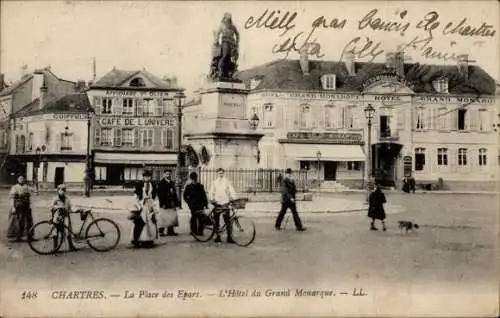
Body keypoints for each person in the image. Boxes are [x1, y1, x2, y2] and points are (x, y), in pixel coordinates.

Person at [130, 170, 158, 248]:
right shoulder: (139, 184)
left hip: (150, 205)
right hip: (141, 204)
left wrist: (154, 204)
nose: (147, 178)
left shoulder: (153, 184)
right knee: (140, 222)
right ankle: (136, 240)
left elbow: (154, 195)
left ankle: (148, 240)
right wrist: (139, 204)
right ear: (143, 177)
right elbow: (136, 195)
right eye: (146, 177)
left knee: (150, 223)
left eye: (149, 176)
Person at [209, 168, 237, 243]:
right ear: (217, 174)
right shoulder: (214, 182)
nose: (220, 174)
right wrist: (211, 198)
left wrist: (234, 198)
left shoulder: (227, 182)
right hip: (217, 203)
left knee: (227, 221)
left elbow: (231, 190)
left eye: (222, 173)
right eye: (219, 173)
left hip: (225, 202)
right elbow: (211, 191)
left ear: (224, 173)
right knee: (216, 221)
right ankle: (218, 236)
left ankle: (229, 237)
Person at [48, 184, 79, 251]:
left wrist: (76, 209)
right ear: (58, 191)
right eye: (61, 190)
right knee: (55, 231)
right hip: (57, 217)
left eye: (64, 190)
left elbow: (72, 206)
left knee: (68, 230)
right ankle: (55, 247)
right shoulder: (55, 198)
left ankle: (71, 246)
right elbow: (50, 207)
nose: (62, 191)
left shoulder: (67, 199)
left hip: (65, 216)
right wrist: (58, 207)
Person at [7, 175, 33, 242]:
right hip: (17, 206)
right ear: (18, 179)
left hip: (26, 206)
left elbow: (30, 196)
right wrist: (13, 207)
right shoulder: (14, 187)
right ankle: (16, 237)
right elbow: (12, 198)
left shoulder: (26, 187)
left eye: (23, 178)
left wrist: (29, 205)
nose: (21, 179)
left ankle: (28, 236)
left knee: (27, 221)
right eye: (20, 178)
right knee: (16, 221)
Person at [183, 171, 209, 236]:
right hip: (193, 205)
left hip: (200, 204)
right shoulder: (188, 186)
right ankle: (193, 231)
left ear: (196, 178)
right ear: (191, 179)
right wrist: (189, 202)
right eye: (192, 179)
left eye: (195, 179)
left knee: (201, 218)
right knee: (193, 217)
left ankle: (200, 231)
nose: (194, 180)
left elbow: (204, 195)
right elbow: (185, 196)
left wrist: (205, 204)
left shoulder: (200, 186)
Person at [157, 170, 180, 236]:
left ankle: (170, 231)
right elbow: (160, 194)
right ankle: (161, 231)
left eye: (169, 174)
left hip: (171, 202)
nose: (168, 175)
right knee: (163, 217)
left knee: (171, 217)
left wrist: (177, 202)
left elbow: (174, 193)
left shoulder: (172, 183)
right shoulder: (161, 183)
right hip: (164, 202)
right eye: (166, 174)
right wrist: (162, 203)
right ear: (164, 175)